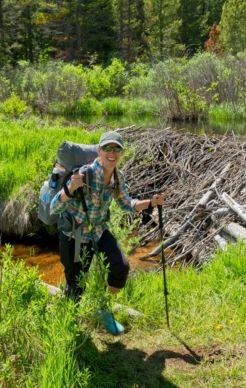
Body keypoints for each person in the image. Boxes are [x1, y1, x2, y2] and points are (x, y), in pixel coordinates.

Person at [49, 131, 165, 334]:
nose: (112, 153)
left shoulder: (118, 178)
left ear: (122, 152)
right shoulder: (83, 175)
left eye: (117, 148)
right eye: (108, 148)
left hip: (99, 230)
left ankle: (103, 308)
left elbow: (127, 204)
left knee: (121, 267)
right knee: (76, 285)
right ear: (99, 151)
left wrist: (151, 203)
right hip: (74, 235)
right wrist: (70, 190)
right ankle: (70, 326)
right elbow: (53, 208)